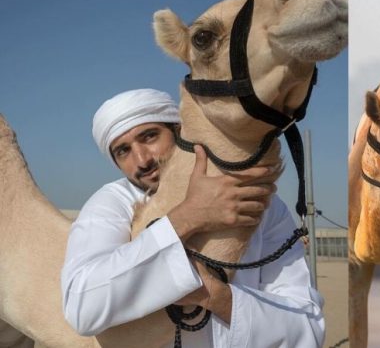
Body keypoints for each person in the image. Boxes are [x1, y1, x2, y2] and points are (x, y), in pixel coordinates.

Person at [61, 88, 324, 347]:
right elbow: (82, 307)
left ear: (179, 132)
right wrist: (186, 218)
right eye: (123, 151)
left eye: (149, 136)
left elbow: (308, 328)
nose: (142, 160)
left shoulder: (256, 202)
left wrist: (219, 298)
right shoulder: (112, 203)